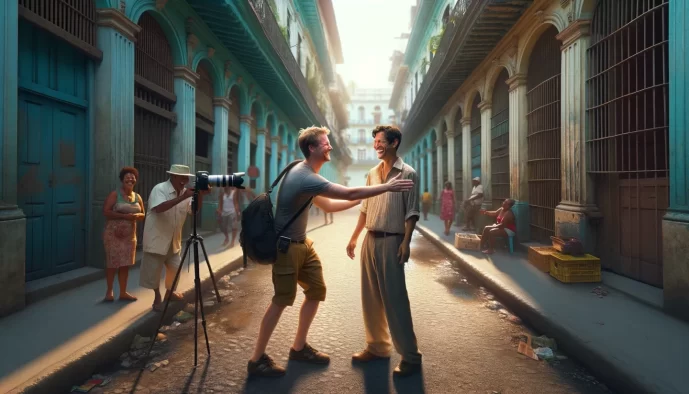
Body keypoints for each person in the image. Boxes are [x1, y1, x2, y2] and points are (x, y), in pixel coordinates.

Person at [247, 126, 415, 377]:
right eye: (326, 143)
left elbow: (327, 204)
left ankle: (299, 348)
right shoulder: (304, 175)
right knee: (281, 301)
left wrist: (362, 200)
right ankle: (256, 359)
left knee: (316, 291)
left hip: (303, 245)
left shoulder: (307, 173)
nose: (331, 147)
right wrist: (385, 188)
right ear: (313, 148)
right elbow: (346, 191)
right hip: (286, 248)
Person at [346, 125, 423, 378]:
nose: (376, 145)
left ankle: (410, 356)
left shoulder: (408, 173)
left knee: (395, 299)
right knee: (370, 298)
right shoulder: (372, 173)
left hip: (392, 240)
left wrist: (406, 242)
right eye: (375, 142)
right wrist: (355, 238)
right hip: (370, 238)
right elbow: (365, 209)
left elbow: (412, 212)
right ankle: (377, 347)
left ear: (394, 142)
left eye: (381, 141)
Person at [139, 164, 208, 312]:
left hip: (173, 239)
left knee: (176, 268)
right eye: (181, 178)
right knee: (153, 271)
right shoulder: (160, 189)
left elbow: (193, 211)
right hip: (156, 238)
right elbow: (159, 208)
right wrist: (183, 197)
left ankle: (169, 293)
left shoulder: (186, 192)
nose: (184, 181)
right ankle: (157, 295)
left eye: (186, 178)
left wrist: (200, 195)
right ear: (173, 176)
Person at [102, 167, 145, 302]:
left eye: (133, 177)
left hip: (129, 236)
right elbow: (106, 212)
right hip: (113, 235)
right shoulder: (115, 195)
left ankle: (123, 292)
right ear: (122, 179)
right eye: (127, 176)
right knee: (112, 264)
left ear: (135, 180)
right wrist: (126, 217)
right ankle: (109, 292)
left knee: (125, 264)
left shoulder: (138, 197)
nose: (130, 178)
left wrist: (137, 215)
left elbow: (143, 214)